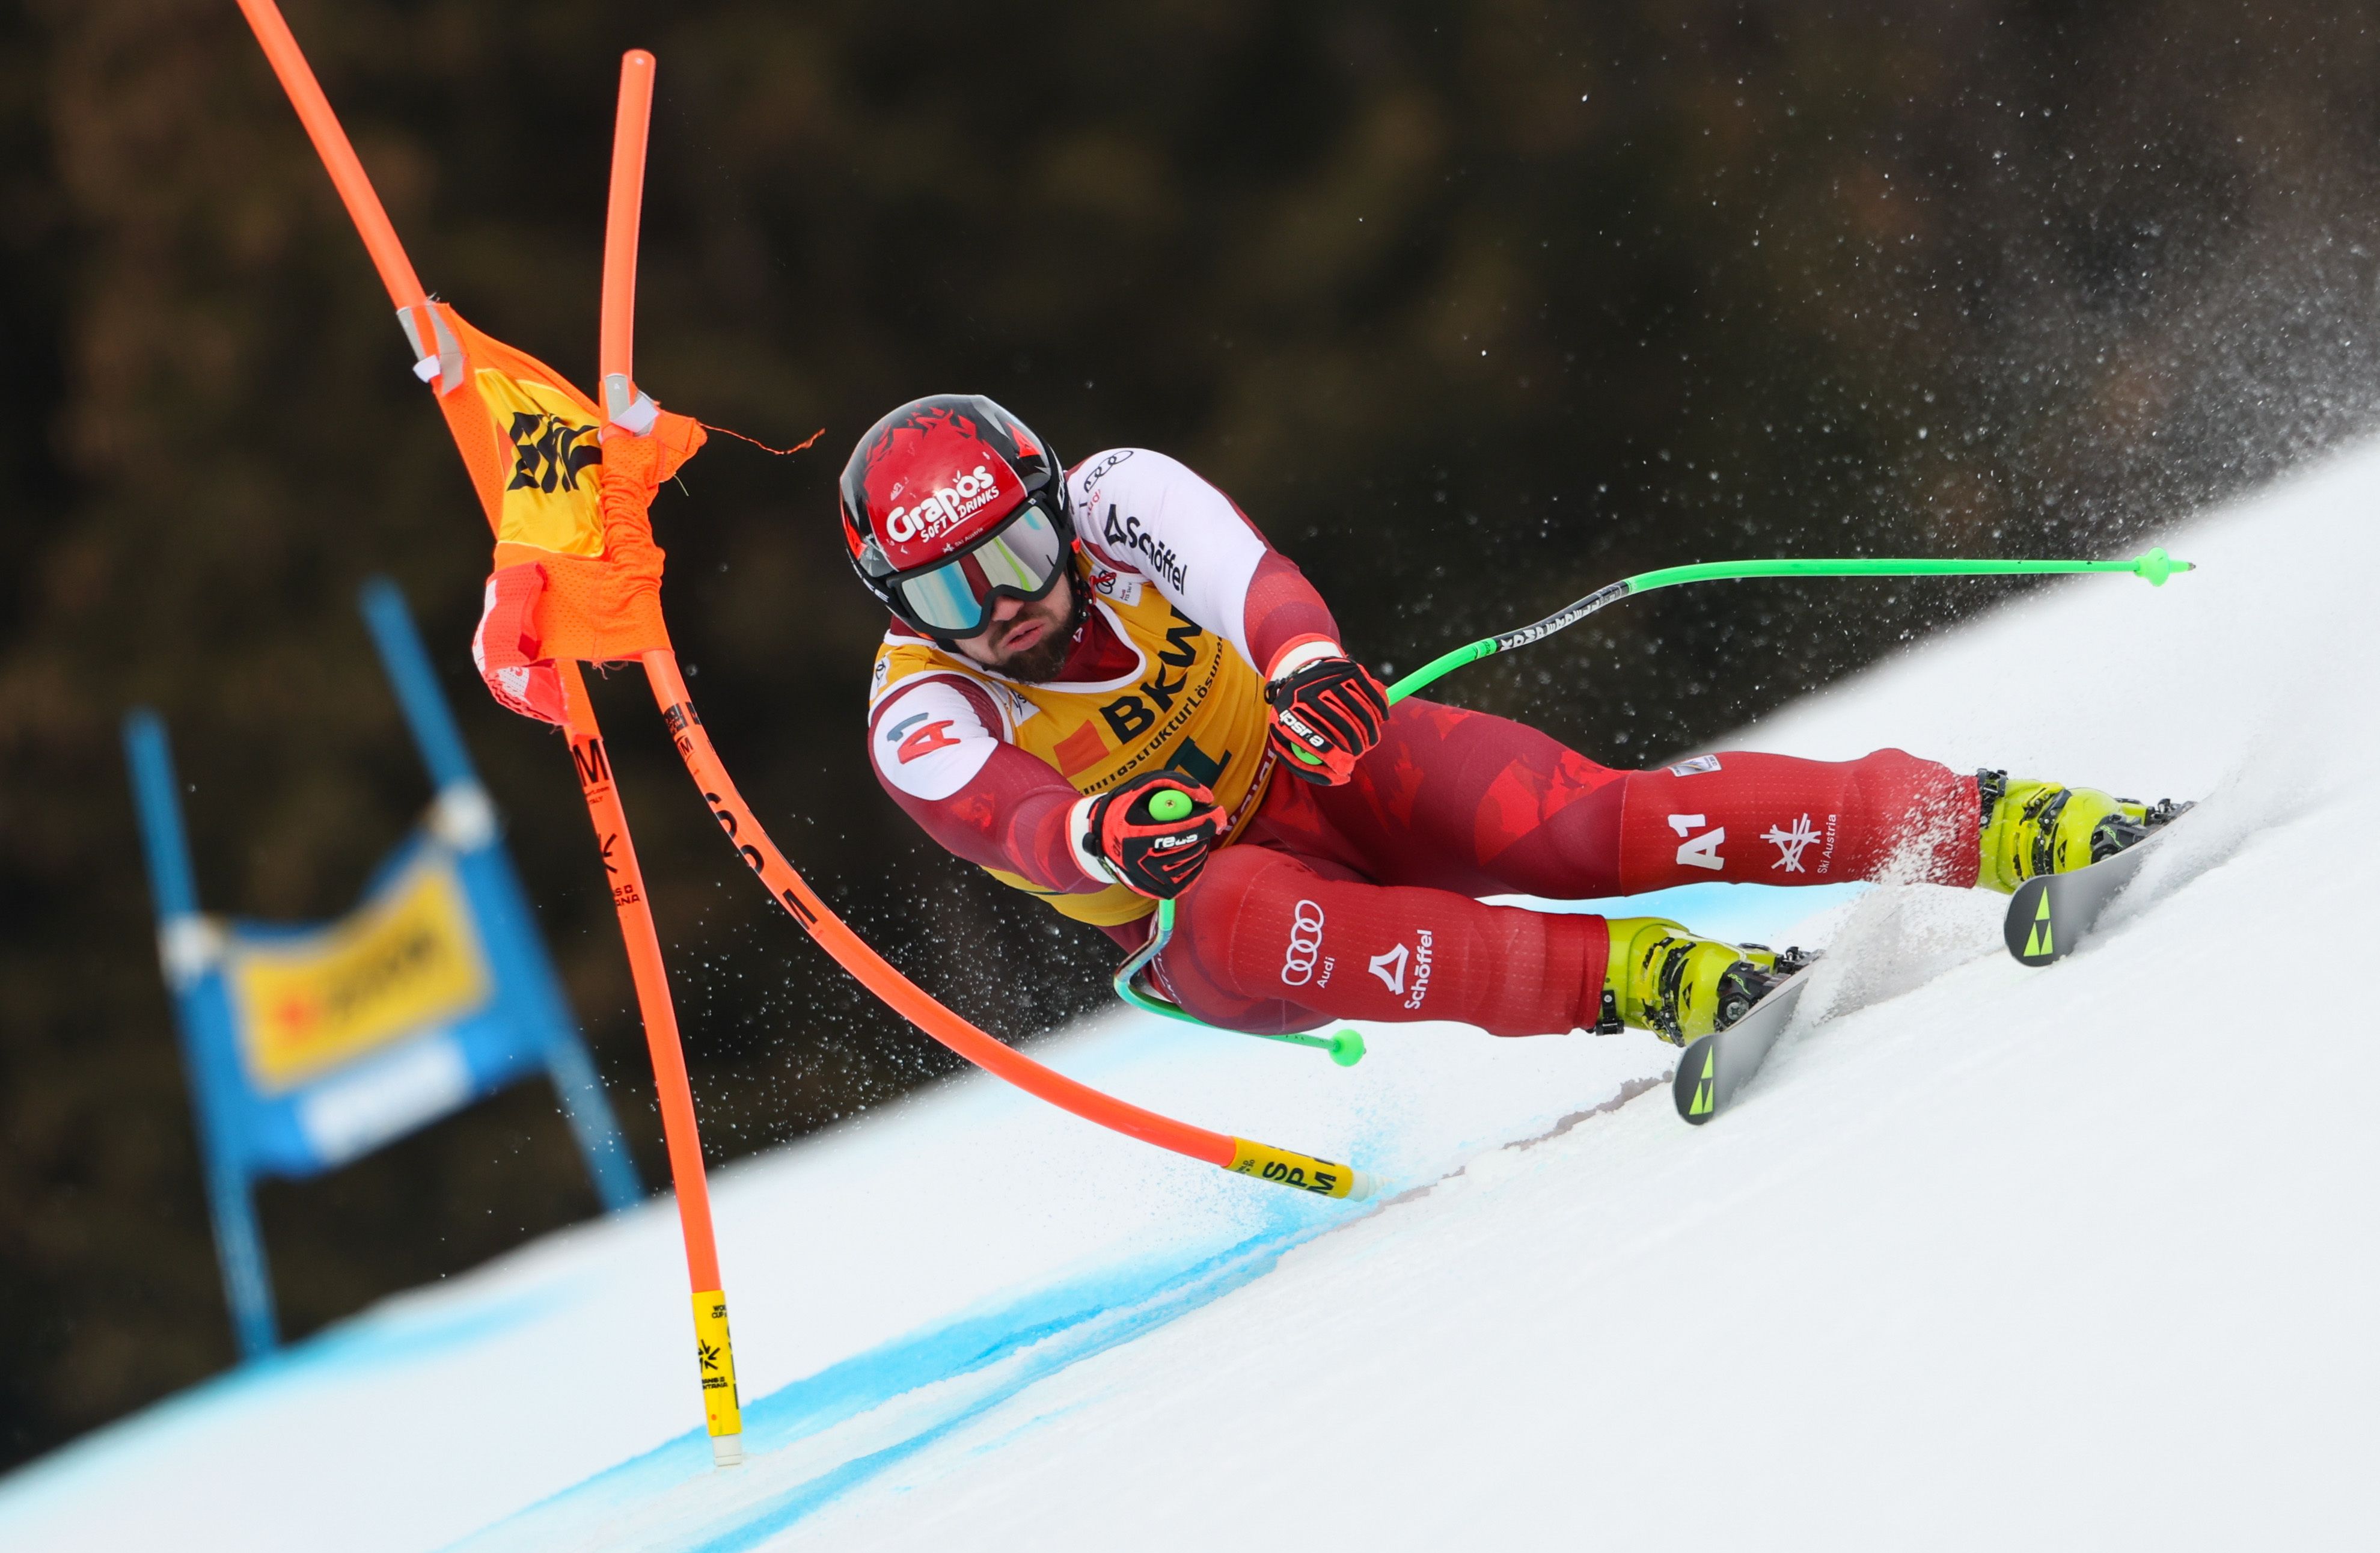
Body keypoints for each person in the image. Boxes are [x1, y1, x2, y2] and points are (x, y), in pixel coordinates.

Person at [846, 396, 2178, 1047]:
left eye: (1016, 553)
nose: (1004, 603)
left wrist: (1307, 663)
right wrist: (1101, 836)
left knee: (1582, 822)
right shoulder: (921, 702)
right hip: (1200, 921)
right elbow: (1000, 815)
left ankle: (1994, 822)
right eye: (951, 590)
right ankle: (1645, 981)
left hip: (1322, 772)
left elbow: (1242, 575)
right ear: (895, 601)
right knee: (1243, 903)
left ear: (1047, 506)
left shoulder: (1112, 495)